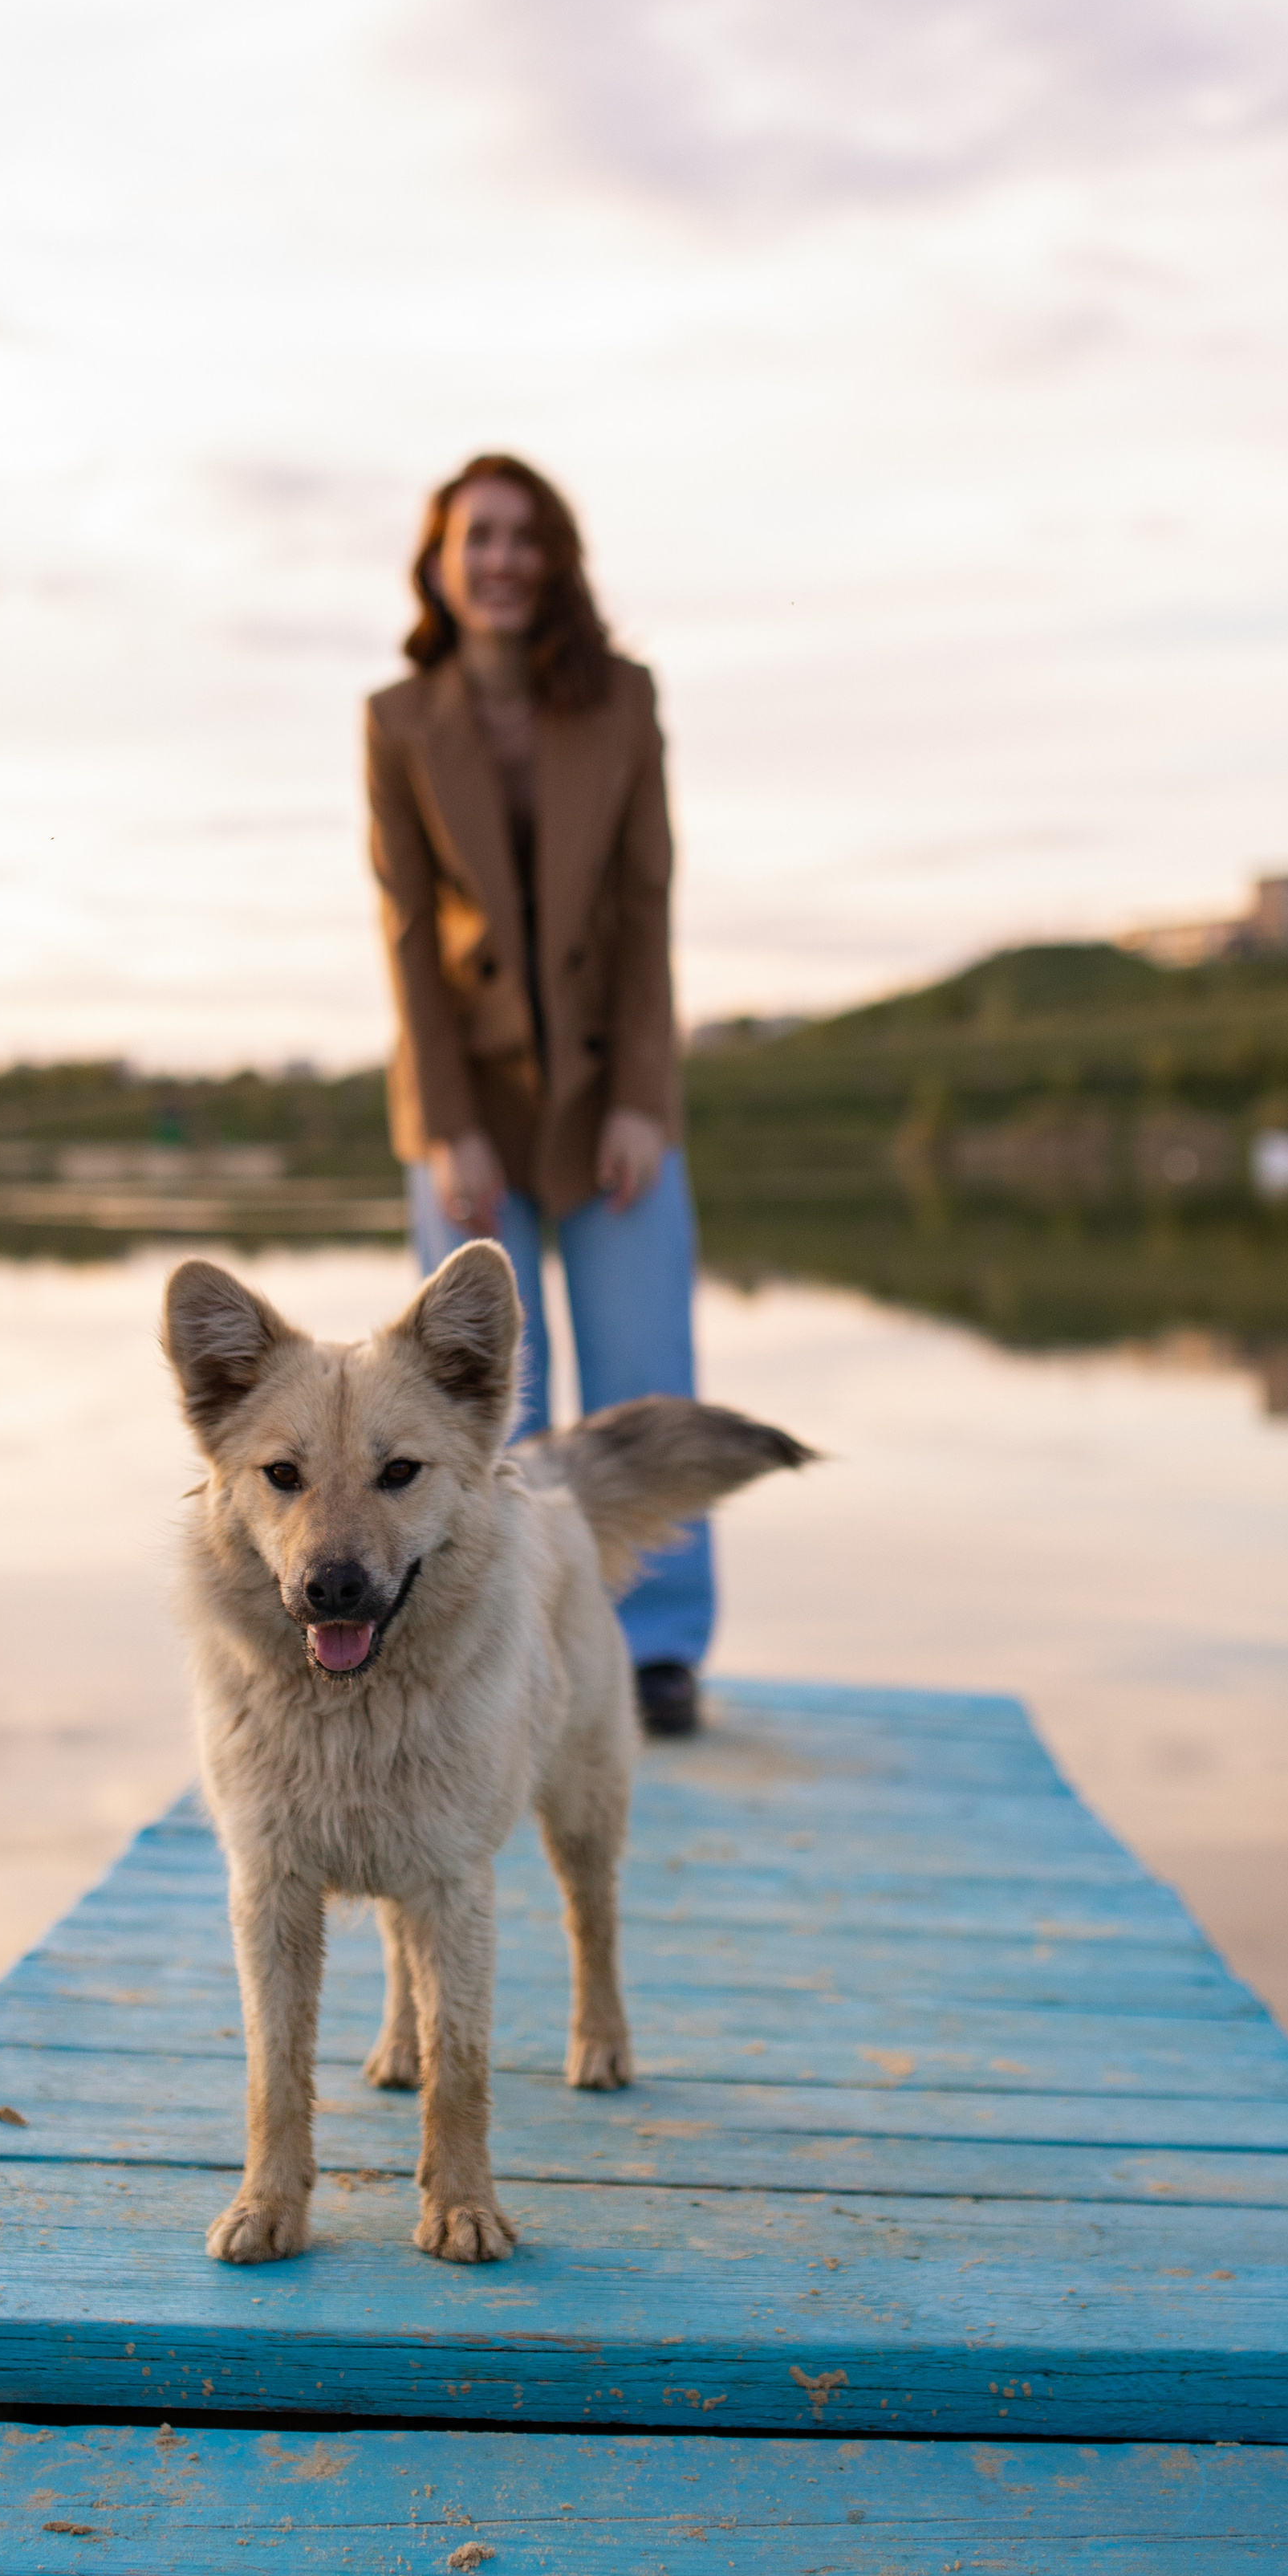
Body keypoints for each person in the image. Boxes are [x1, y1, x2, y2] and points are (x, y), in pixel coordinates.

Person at [364, 452, 712, 1736]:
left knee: (644, 1384)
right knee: (479, 1401)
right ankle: (516, 1652)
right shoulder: (398, 721)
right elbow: (406, 930)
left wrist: (640, 1093)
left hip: (612, 1097)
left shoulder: (623, 703)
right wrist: (448, 1125)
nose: (501, 558)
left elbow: (645, 907)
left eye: (524, 537)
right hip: (470, 1104)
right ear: (442, 564)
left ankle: (662, 1652)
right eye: (478, 537)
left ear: (554, 559)